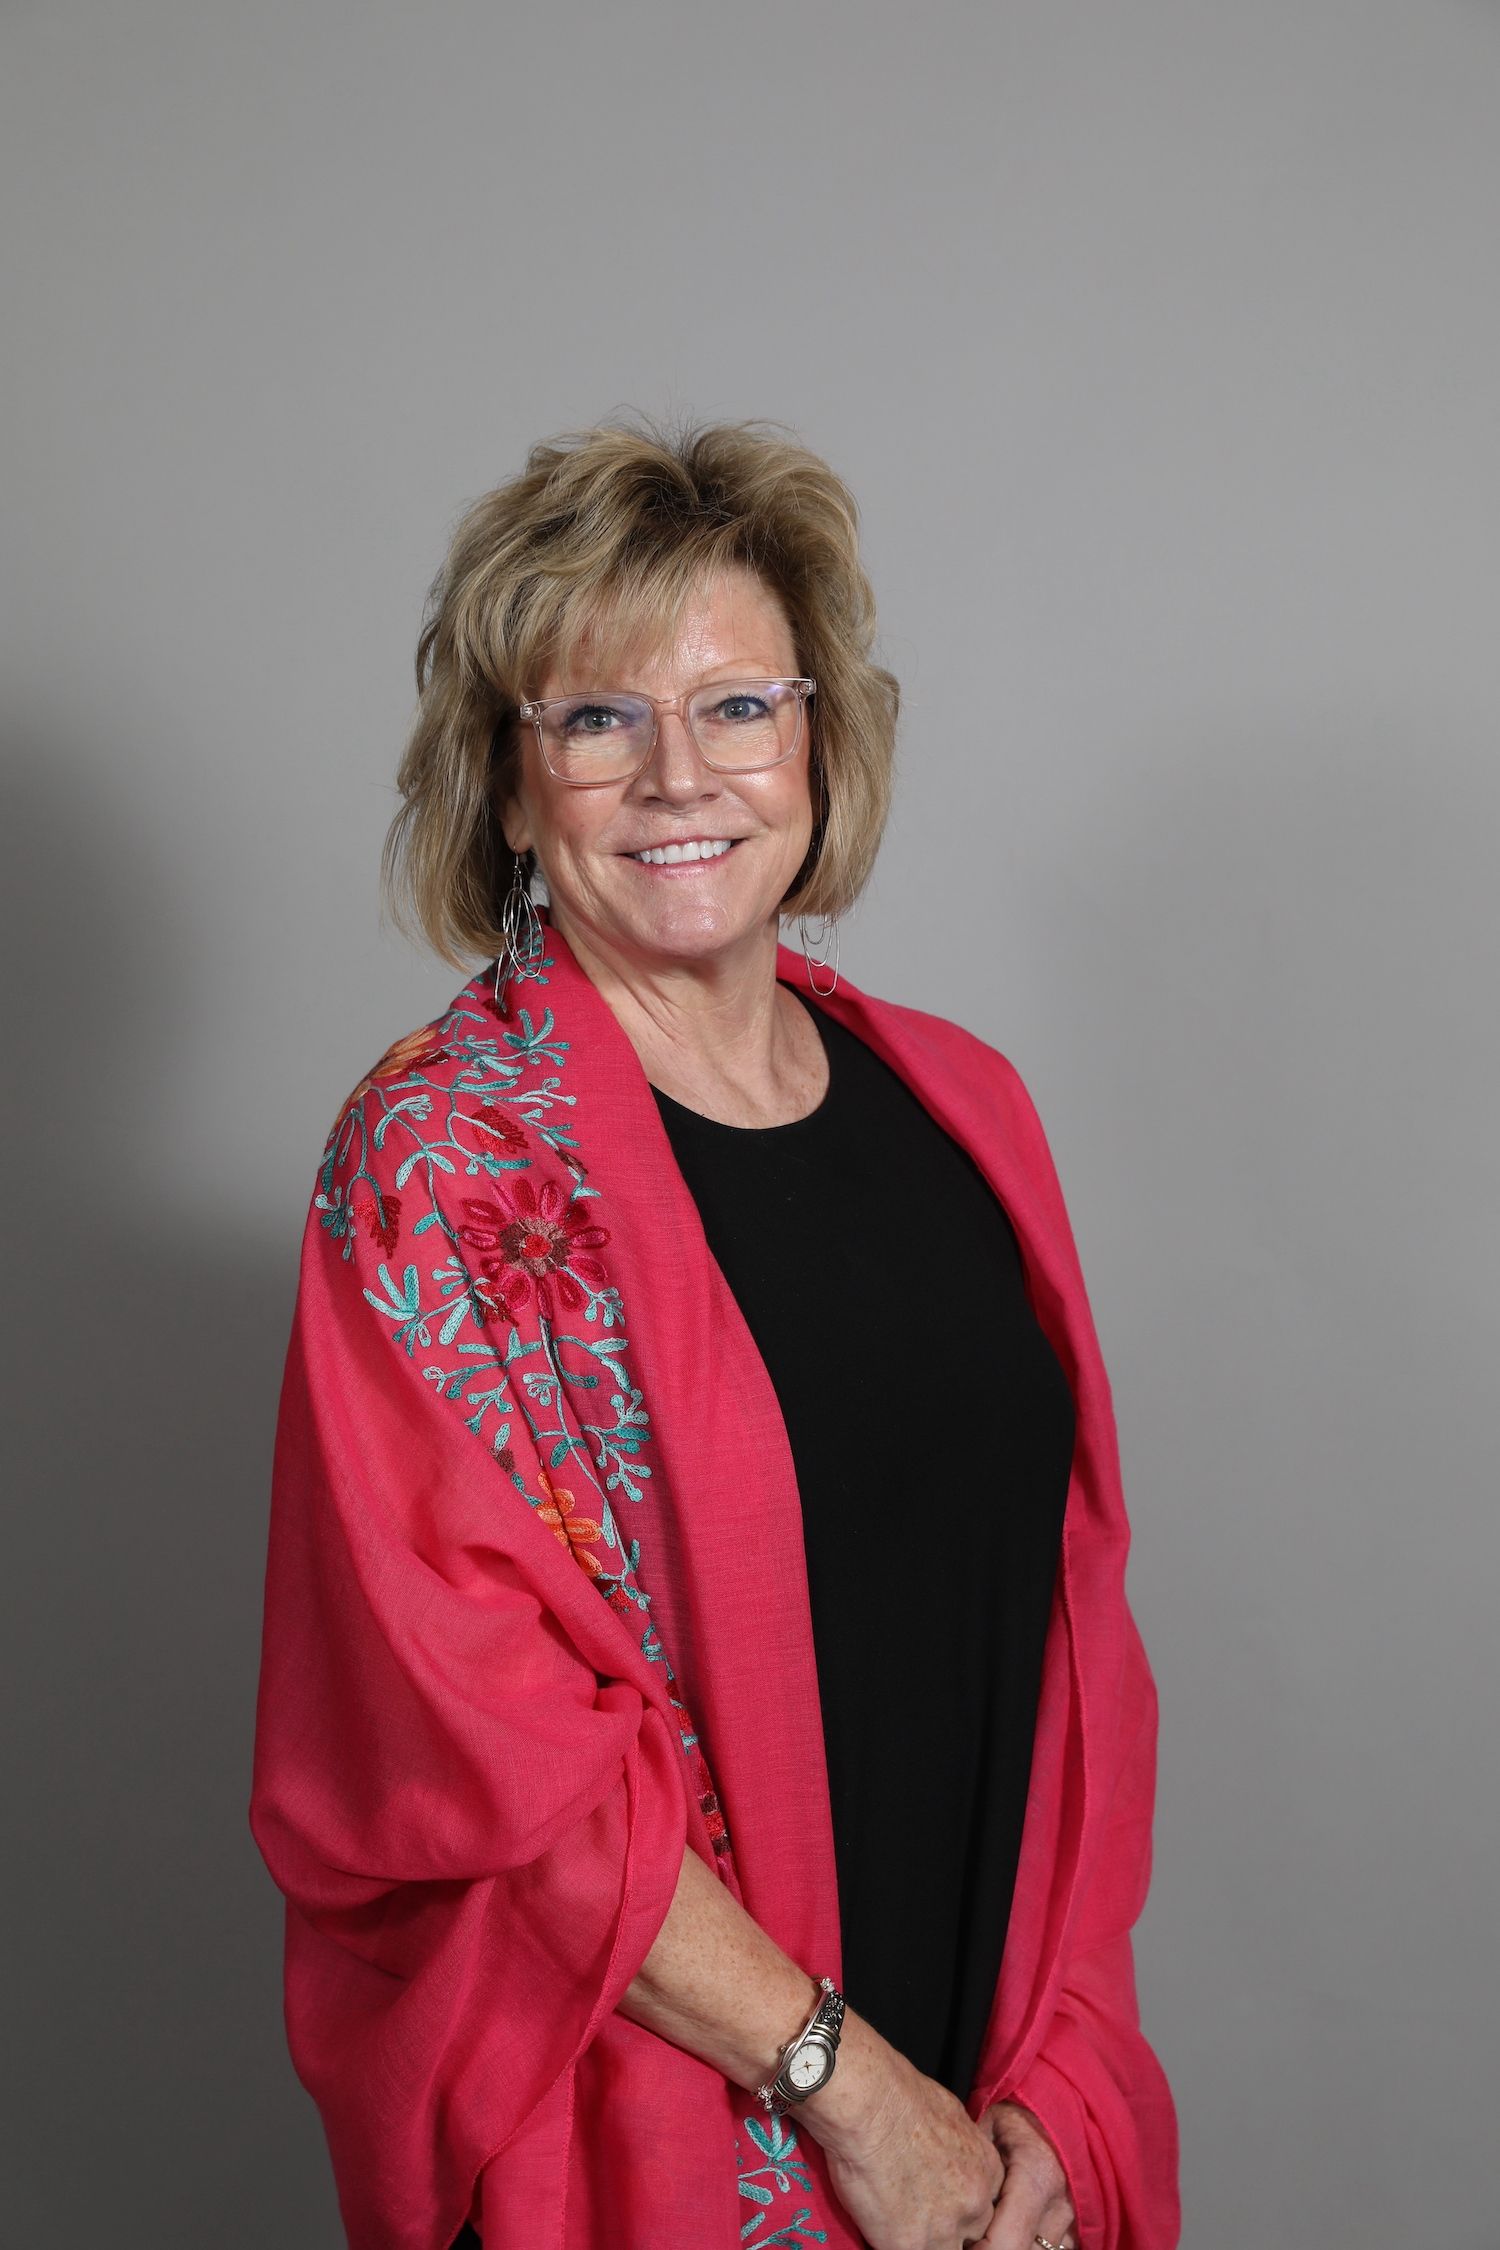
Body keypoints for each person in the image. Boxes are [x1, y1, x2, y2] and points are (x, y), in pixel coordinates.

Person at [248, 415, 1180, 2250]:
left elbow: (1071, 1638)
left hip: (996, 2113)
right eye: (599, 719)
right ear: (509, 784)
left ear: (819, 743)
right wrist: (858, 2096)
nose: (680, 774)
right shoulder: (439, 1169)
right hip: (697, 2131)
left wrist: (1055, 2080)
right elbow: (486, 1763)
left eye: (740, 705)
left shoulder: (964, 1105)